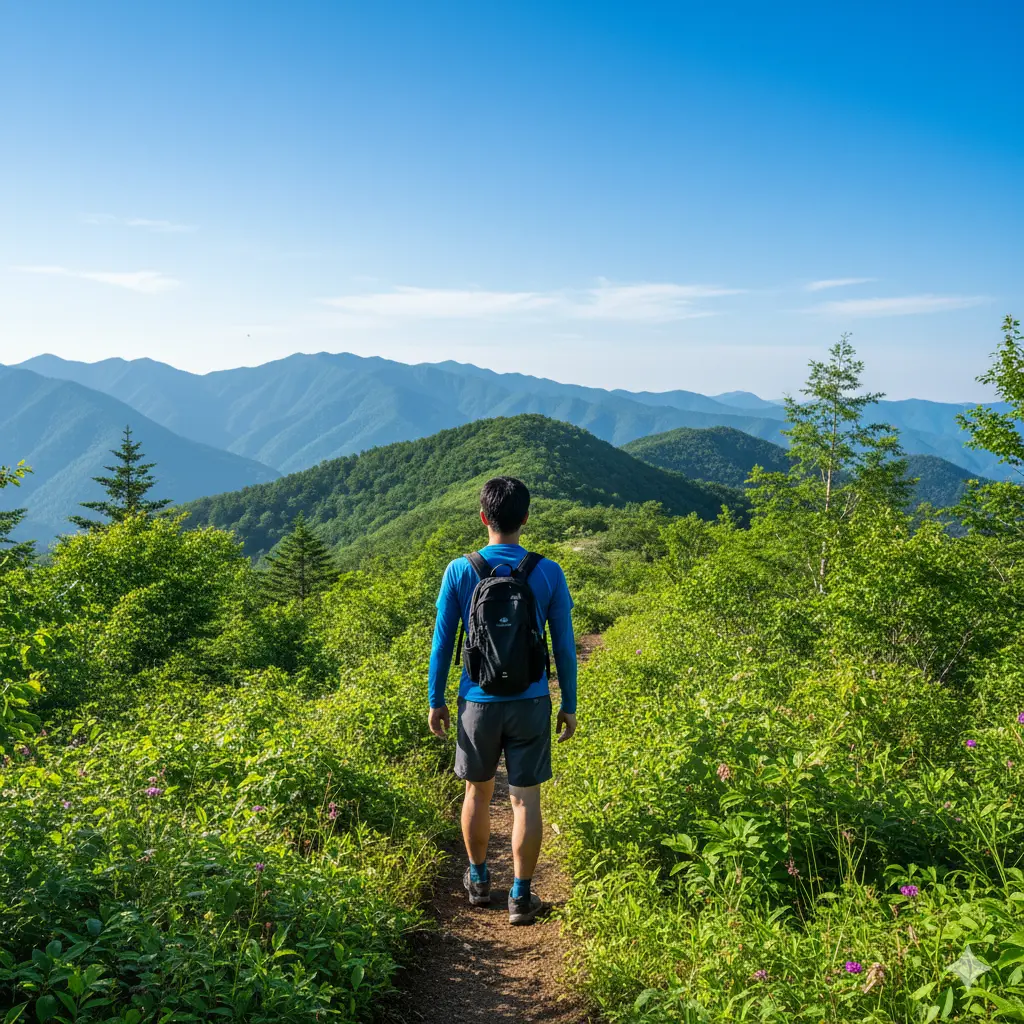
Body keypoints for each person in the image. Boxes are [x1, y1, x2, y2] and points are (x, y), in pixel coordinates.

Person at [427, 476, 578, 925]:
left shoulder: (459, 570)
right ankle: (521, 896)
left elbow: (442, 641)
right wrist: (568, 702)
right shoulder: (548, 571)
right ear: (525, 519)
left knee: (477, 789)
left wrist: (436, 699)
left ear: (483, 517)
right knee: (524, 798)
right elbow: (564, 646)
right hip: (531, 700)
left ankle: (477, 881)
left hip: (476, 699)